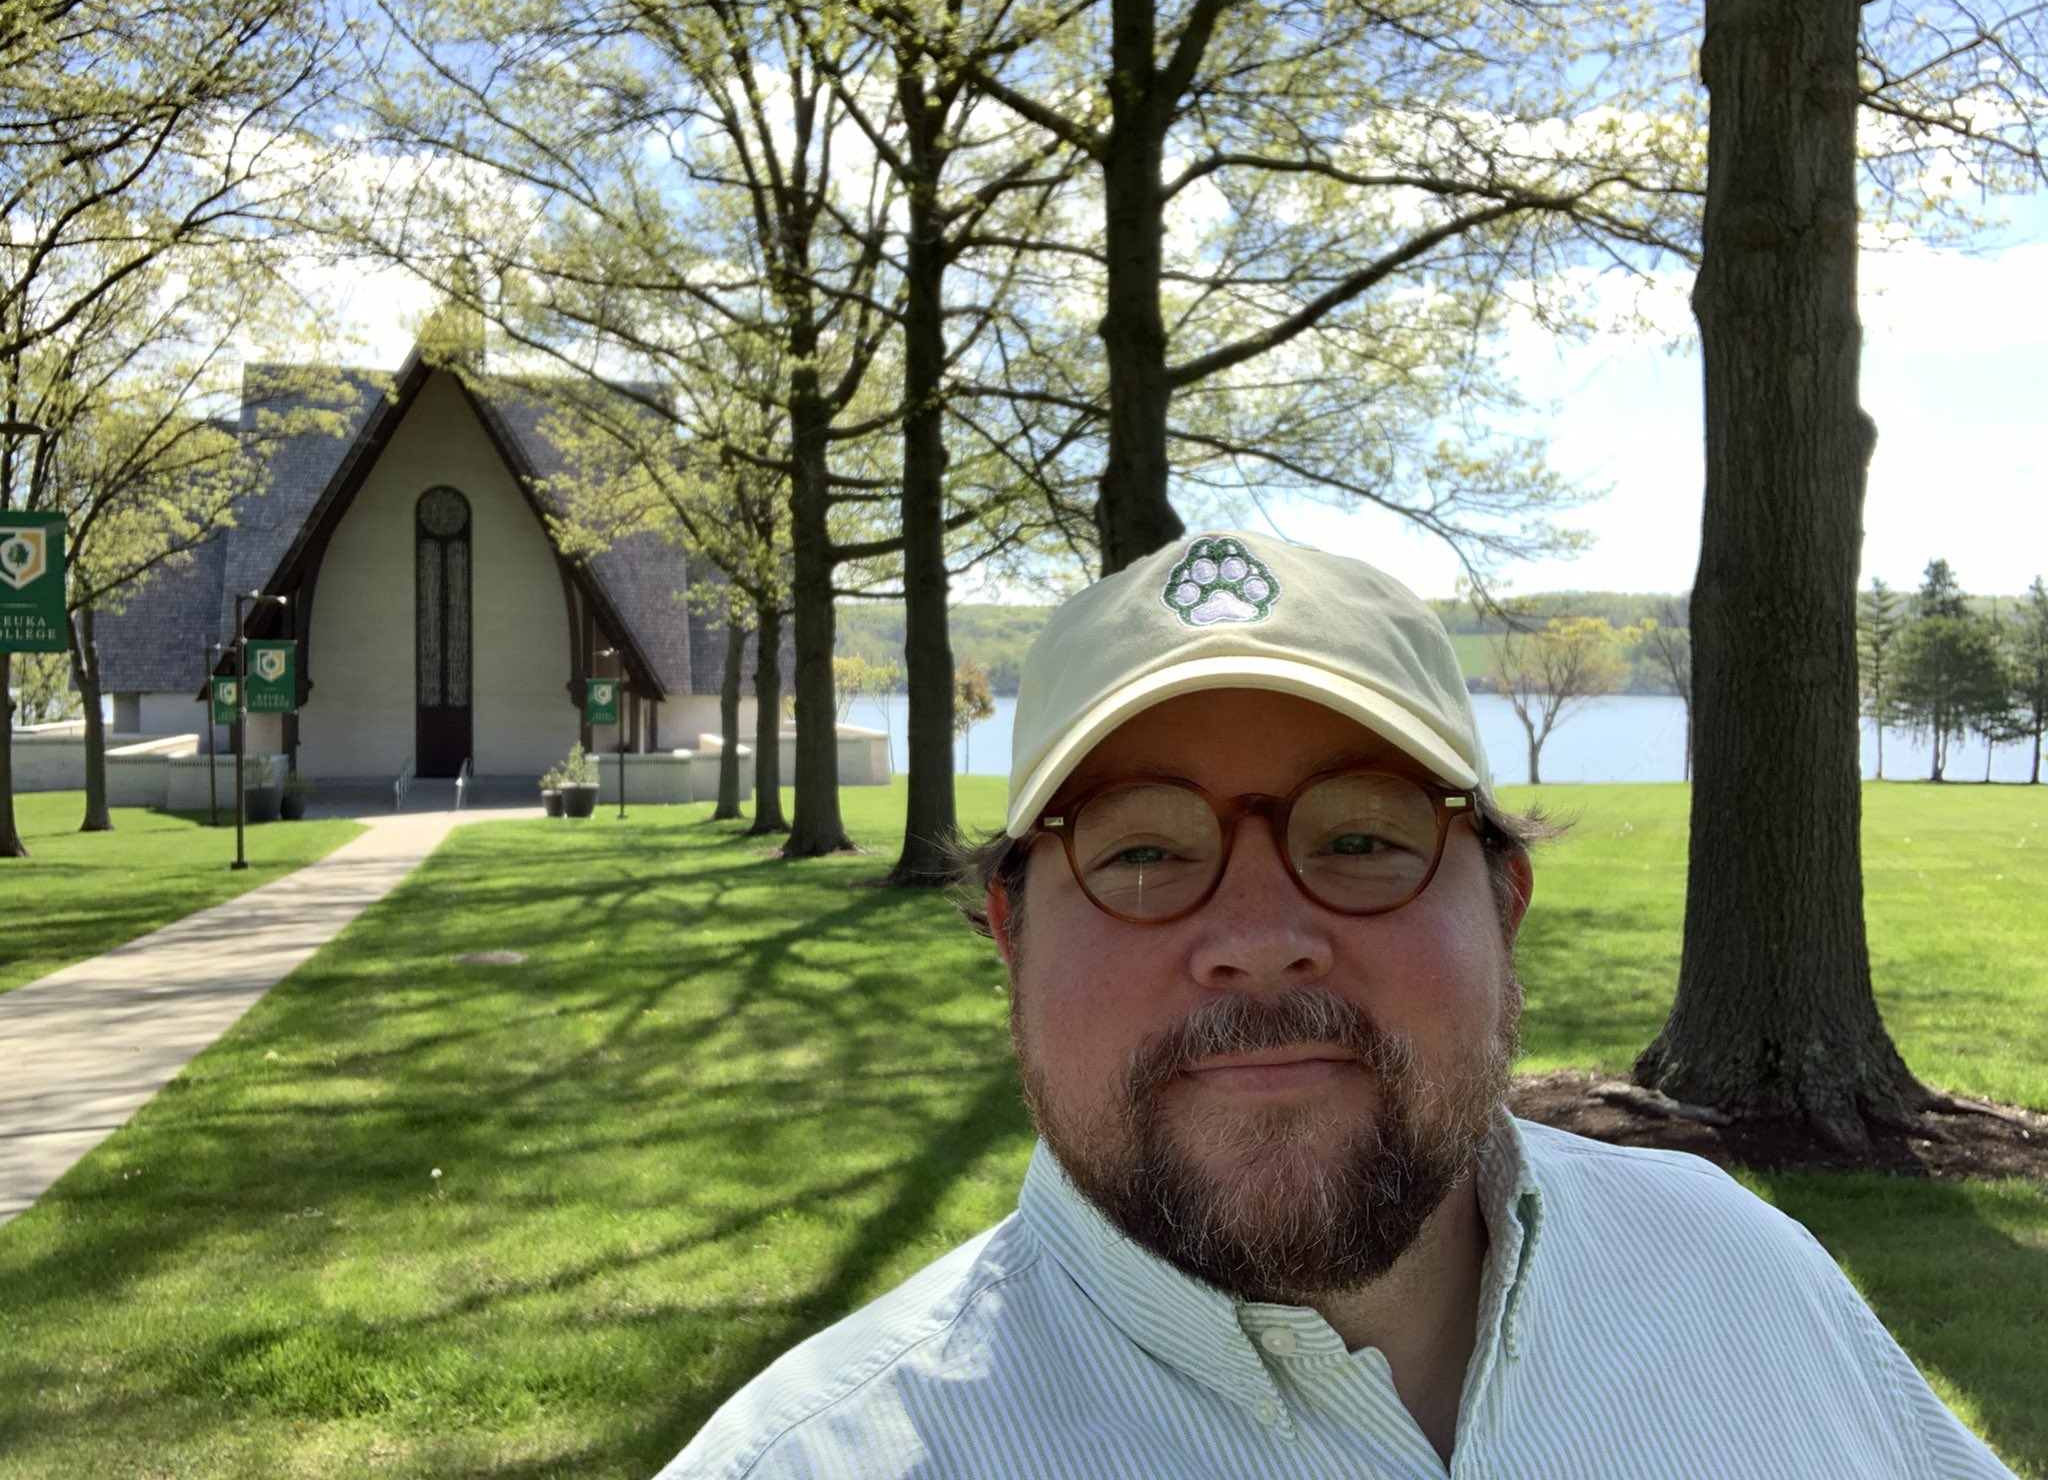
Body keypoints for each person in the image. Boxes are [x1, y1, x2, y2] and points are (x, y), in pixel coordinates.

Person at [660, 530, 2015, 1479]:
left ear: (1503, 905)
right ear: (1010, 936)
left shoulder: (1742, 1282)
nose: (1257, 940)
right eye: (1141, 852)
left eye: (1364, 839)